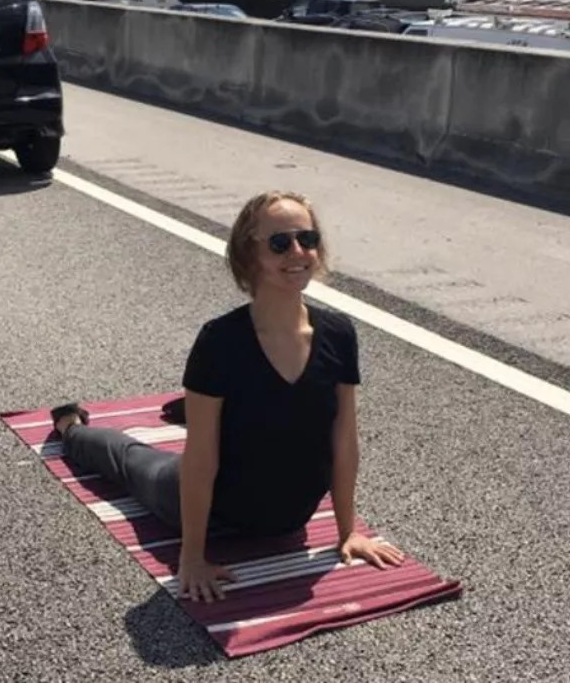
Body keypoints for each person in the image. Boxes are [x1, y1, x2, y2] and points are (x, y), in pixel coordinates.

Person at [50, 190, 405, 604]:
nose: (298, 251)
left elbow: (344, 441)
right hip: (217, 508)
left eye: (307, 239)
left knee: (262, 408)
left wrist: (348, 532)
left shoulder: (339, 334)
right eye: (279, 242)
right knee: (132, 462)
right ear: (249, 254)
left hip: (290, 517)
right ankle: (69, 426)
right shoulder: (220, 341)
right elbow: (201, 459)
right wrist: (193, 557)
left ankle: (204, 407)